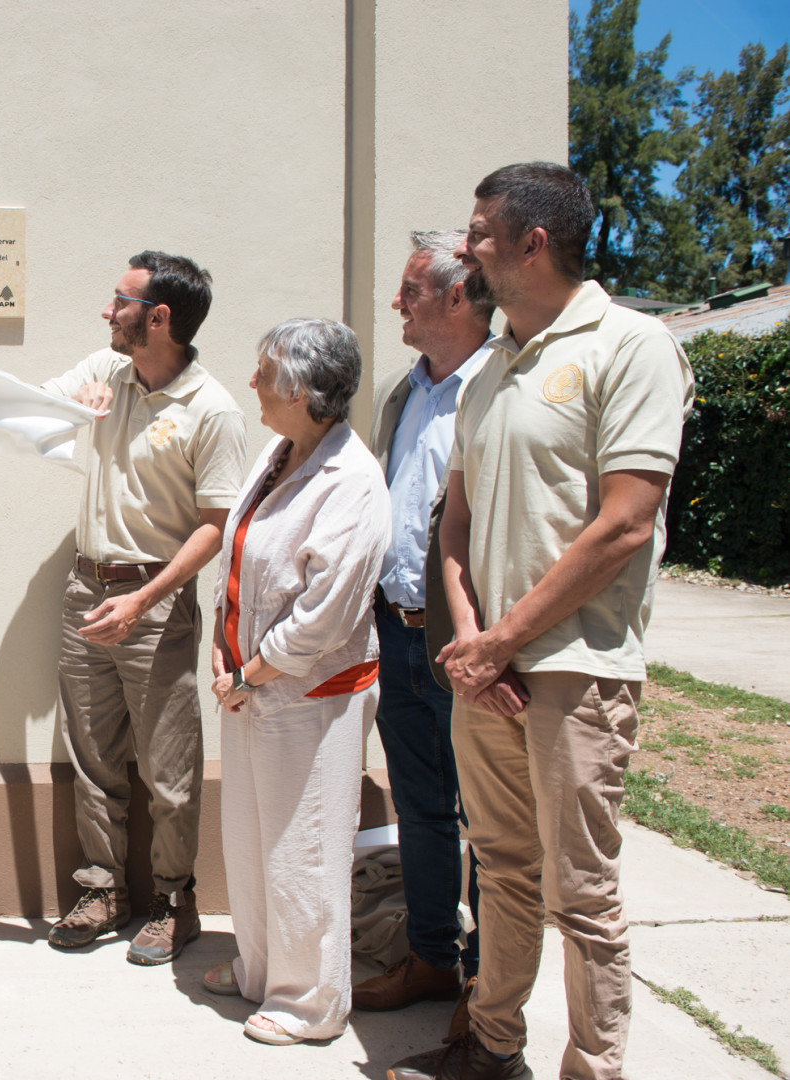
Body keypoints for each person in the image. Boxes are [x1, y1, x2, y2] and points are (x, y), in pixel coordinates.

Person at [388, 163, 694, 1080]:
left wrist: (502, 640)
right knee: (506, 872)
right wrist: (474, 642)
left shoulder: (631, 344)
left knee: (583, 893)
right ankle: (492, 1048)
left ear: (532, 242)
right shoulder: (493, 368)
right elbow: (458, 521)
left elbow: (625, 522)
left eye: (480, 232)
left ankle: (594, 1067)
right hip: (488, 668)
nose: (467, 246)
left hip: (576, 667)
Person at [39, 251, 248, 965]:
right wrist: (70, 409)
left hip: (156, 601)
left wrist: (144, 600)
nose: (107, 311)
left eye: (119, 300)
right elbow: (31, 409)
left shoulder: (213, 409)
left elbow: (214, 525)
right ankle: (102, 891)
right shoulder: (107, 372)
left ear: (159, 318)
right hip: (84, 589)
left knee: (167, 765)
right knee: (93, 753)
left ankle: (171, 901)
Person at [205, 317, 390, 1045]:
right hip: (249, 687)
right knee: (251, 840)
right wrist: (222, 659)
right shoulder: (279, 452)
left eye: (265, 371)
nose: (252, 380)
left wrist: (249, 672)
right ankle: (259, 970)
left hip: (307, 695)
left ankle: (309, 1003)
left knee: (304, 848)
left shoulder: (353, 480)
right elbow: (238, 560)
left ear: (308, 392)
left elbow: (321, 617)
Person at [354, 231, 494, 1026]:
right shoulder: (403, 393)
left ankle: (486, 982)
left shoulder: (500, 387)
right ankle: (434, 959)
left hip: (466, 641)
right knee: (421, 806)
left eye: (411, 289)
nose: (398, 302)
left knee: (488, 817)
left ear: (454, 295)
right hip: (398, 634)